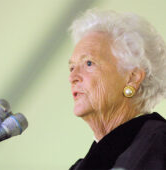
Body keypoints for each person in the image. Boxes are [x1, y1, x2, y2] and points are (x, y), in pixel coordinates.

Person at [68, 9, 166, 170]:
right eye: (71, 68)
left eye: (89, 63)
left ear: (132, 77)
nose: (72, 77)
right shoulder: (80, 166)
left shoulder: (157, 142)